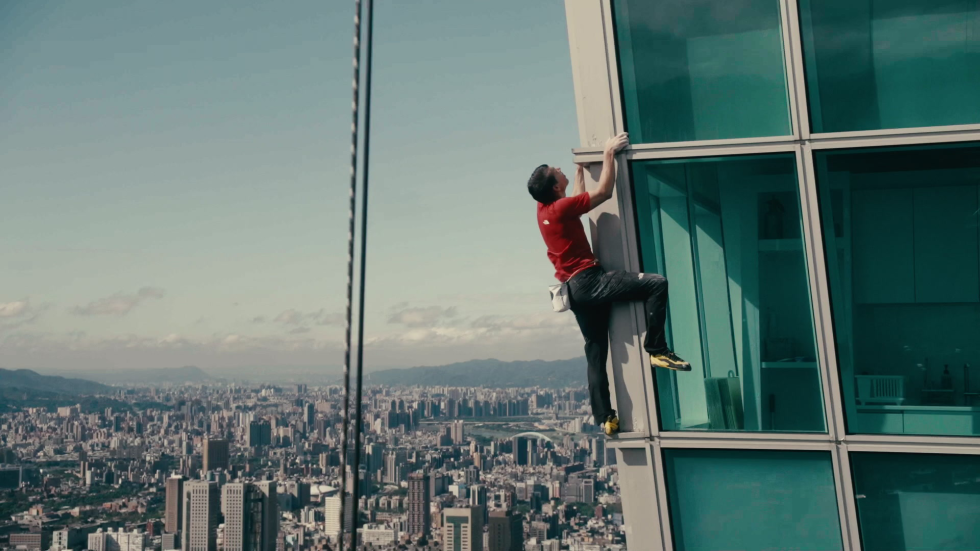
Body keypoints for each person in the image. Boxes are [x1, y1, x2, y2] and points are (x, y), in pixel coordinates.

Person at [527, 132, 690, 436]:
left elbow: (576, 203)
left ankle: (605, 417)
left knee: (596, 350)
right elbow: (603, 193)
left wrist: (577, 173)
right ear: (554, 186)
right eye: (556, 170)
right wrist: (608, 154)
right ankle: (656, 348)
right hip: (590, 281)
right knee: (656, 284)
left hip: (575, 292)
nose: (559, 167)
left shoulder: (545, 210)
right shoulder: (559, 208)